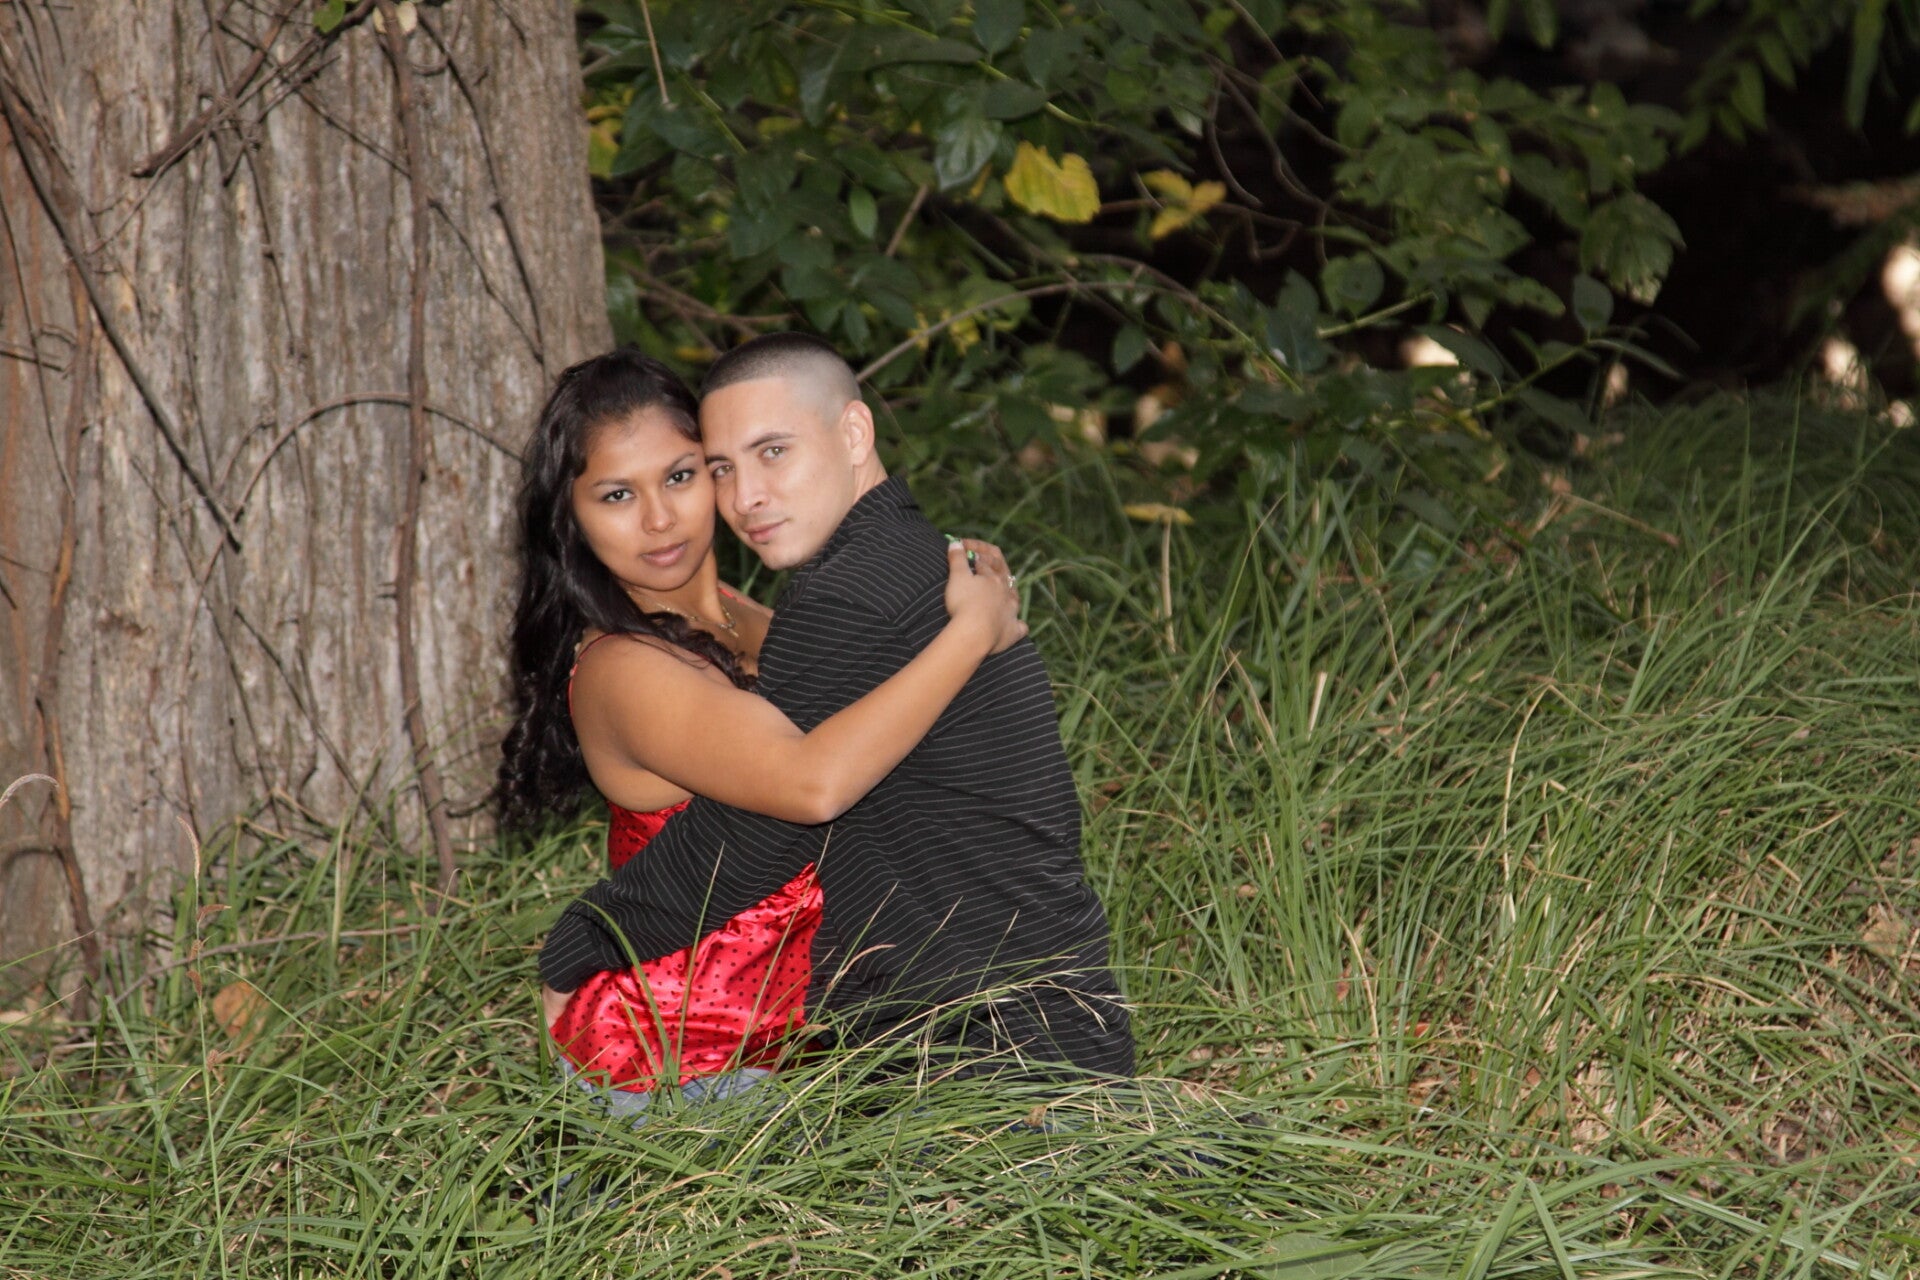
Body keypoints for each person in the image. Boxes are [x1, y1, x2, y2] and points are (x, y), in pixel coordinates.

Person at [540, 333, 1134, 1080]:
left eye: (687, 475)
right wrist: (971, 631)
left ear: (854, 433)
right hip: (677, 1048)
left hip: (957, 1043)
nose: (667, 517)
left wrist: (579, 941)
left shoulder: (821, 606)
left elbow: (790, 809)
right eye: (618, 495)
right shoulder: (640, 661)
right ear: (572, 518)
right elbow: (778, 812)